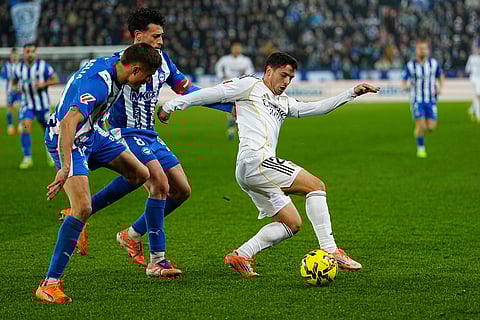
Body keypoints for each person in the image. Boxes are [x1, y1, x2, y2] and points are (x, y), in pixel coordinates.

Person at [159, 52, 379, 277]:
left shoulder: (283, 102)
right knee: (316, 186)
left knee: (290, 223)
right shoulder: (249, 86)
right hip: (257, 161)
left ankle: (241, 254)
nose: (286, 82)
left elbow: (317, 107)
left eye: (290, 78)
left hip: (252, 169)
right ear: (268, 71)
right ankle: (331, 250)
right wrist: (173, 105)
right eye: (283, 75)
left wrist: (351, 93)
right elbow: (211, 94)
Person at [59, 8, 232, 266]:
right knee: (159, 184)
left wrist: (228, 105)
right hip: (124, 132)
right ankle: (157, 261)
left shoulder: (164, 61)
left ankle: (131, 235)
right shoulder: (122, 64)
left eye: (162, 36)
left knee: (182, 191)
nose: (161, 41)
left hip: (150, 133)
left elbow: (186, 90)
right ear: (138, 36)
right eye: (156, 36)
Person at [35, 43, 163, 304]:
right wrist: (64, 167)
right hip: (69, 140)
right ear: (136, 69)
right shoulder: (99, 84)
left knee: (140, 174)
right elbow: (70, 121)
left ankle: (79, 214)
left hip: (92, 134)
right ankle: (50, 283)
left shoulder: (118, 64)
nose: (148, 81)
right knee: (82, 206)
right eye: (148, 75)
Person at [12, 43, 59, 168]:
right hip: (27, 104)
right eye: (28, 51)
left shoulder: (43, 66)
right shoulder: (18, 68)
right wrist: (15, 88)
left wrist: (43, 84)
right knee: (25, 126)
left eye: (32, 51)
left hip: (43, 105)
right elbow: (14, 81)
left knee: (48, 130)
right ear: (24, 53)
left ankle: (51, 155)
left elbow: (56, 79)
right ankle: (27, 158)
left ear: (35, 53)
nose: (30, 54)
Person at [402, 40, 444, 158]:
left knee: (431, 127)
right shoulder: (411, 66)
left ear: (428, 50)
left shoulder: (433, 64)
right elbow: (404, 80)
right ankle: (421, 149)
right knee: (421, 125)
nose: (422, 50)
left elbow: (441, 75)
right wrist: (406, 87)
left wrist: (440, 87)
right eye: (420, 48)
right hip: (417, 100)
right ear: (416, 50)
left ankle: (421, 131)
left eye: (424, 48)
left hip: (431, 100)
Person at [215, 41, 255, 140]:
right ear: (232, 49)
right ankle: (232, 129)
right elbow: (218, 67)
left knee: (242, 109)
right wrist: (221, 75)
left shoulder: (245, 60)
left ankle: (240, 129)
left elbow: (250, 71)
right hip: (229, 87)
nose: (236, 50)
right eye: (235, 48)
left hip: (241, 87)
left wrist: (245, 76)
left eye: (238, 48)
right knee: (231, 109)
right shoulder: (225, 59)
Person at [0, 48, 21, 135]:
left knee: (21, 107)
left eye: (16, 55)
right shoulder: (7, 66)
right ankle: (10, 126)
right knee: (9, 108)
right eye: (13, 55)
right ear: (10, 56)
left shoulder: (22, 66)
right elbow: (2, 78)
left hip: (20, 91)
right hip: (10, 91)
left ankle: (20, 125)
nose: (15, 57)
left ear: (18, 56)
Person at [465, 45, 480, 122]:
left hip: (478, 78)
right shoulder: (472, 58)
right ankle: (478, 115)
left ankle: (471, 110)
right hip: (474, 78)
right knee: (477, 95)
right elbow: (467, 68)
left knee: (477, 96)